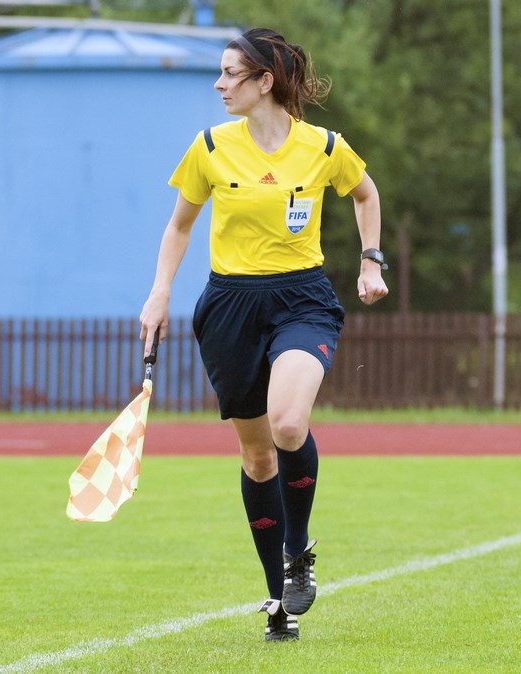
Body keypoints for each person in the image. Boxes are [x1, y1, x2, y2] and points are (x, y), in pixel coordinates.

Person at [139, 27, 388, 642]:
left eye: (230, 74)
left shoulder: (323, 146)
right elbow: (179, 227)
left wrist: (370, 260)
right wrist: (160, 292)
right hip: (229, 305)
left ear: (264, 81)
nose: (219, 85)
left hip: (302, 299)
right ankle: (279, 603)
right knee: (256, 456)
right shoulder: (209, 147)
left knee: (287, 424)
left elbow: (365, 194)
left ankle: (297, 549)